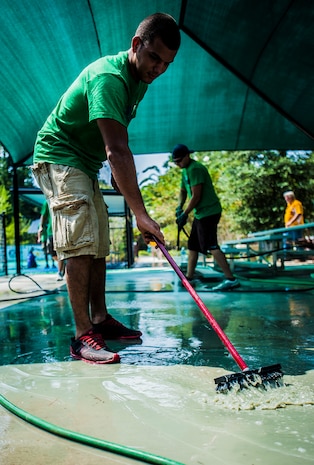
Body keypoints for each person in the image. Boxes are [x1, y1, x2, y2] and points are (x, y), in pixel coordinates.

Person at [31, 13, 181, 364]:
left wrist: (117, 173)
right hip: (59, 155)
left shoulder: (140, 80)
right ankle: (82, 336)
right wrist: (140, 214)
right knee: (79, 241)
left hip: (87, 160)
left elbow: (114, 141)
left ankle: (100, 319)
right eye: (154, 58)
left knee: (98, 240)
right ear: (136, 45)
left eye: (167, 63)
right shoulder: (110, 78)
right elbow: (117, 149)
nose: (158, 69)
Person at [172, 144, 239, 291]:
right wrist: (179, 206)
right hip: (200, 213)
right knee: (193, 245)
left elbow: (196, 196)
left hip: (209, 212)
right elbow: (183, 191)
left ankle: (231, 279)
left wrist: (185, 213)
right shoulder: (185, 170)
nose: (177, 164)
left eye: (179, 161)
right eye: (175, 162)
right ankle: (189, 278)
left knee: (211, 245)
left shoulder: (195, 169)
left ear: (187, 156)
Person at [37, 201, 66, 280]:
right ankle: (64, 263)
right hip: (51, 231)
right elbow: (43, 215)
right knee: (53, 254)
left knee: (60, 252)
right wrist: (41, 227)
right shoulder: (47, 201)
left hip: (63, 231)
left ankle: (60, 272)